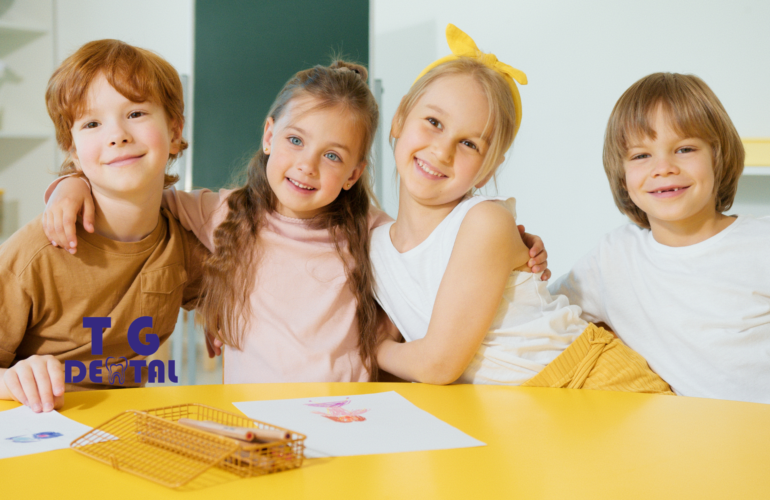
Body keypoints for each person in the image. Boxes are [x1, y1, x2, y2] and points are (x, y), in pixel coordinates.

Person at [43, 58, 550, 384]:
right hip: (254, 425)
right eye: (294, 140)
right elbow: (136, 191)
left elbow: (440, 262)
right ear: (268, 135)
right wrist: (73, 183)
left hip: (350, 420)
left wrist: (517, 249)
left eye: (333, 157)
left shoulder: (376, 237)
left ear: (354, 173)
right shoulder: (220, 212)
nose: (307, 164)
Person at [372, 24, 672, 394]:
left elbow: (438, 364)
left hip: (589, 380)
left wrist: (375, 349)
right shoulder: (374, 246)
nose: (442, 150)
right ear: (400, 117)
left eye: (469, 143)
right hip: (520, 405)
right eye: (433, 122)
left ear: (489, 169)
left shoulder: (484, 222)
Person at [0, 39, 205, 411]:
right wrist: (11, 377)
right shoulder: (35, 254)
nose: (117, 135)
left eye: (137, 113)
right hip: (38, 433)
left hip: (126, 429)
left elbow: (231, 297)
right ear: (74, 151)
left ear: (175, 132)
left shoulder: (184, 242)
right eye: (92, 123)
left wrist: (225, 315)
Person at [550, 73, 770, 404]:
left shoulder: (760, 242)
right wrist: (523, 255)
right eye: (641, 155)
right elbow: (546, 313)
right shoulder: (613, 257)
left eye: (684, 149)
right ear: (623, 177)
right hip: (683, 445)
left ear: (718, 157)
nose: (663, 167)